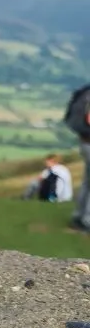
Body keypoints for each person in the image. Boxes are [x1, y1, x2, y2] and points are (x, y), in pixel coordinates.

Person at [63, 85, 90, 230]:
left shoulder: (85, 92)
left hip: (85, 141)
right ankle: (87, 221)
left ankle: (78, 216)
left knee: (87, 183)